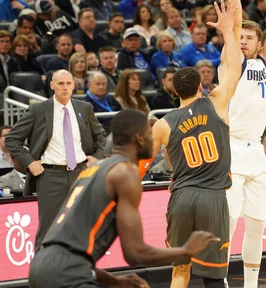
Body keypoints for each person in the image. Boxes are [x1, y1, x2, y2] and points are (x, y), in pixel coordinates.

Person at [28, 109, 220, 288]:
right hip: (67, 271)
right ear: (139, 138)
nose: (153, 139)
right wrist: (186, 250)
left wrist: (114, 281)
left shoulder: (93, 170)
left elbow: (71, 253)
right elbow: (134, 253)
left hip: (42, 265)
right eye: (149, 134)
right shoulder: (126, 173)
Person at [151, 0, 242, 288]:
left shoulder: (163, 124)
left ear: (174, 90)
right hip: (213, 198)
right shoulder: (217, 103)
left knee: (180, 270)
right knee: (214, 275)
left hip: (182, 196)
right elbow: (233, 66)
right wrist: (228, 31)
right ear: (202, 86)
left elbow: (140, 164)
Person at [221, 0, 266, 288]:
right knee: (228, 224)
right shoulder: (232, 60)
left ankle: (250, 285)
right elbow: (232, 23)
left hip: (257, 151)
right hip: (231, 147)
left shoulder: (264, 63)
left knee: (257, 224)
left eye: (249, 38)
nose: (243, 40)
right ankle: (221, 281)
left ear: (258, 45)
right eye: (240, 37)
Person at [5, 69, 107, 248]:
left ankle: (75, 272)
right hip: (51, 177)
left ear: (74, 85)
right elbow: (12, 139)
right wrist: (29, 162)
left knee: (81, 226)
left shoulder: (84, 108)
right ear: (52, 85)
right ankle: (40, 274)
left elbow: (101, 136)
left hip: (80, 174)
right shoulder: (38, 110)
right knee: (48, 230)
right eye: (60, 84)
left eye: (68, 83)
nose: (65, 87)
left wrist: (97, 157)